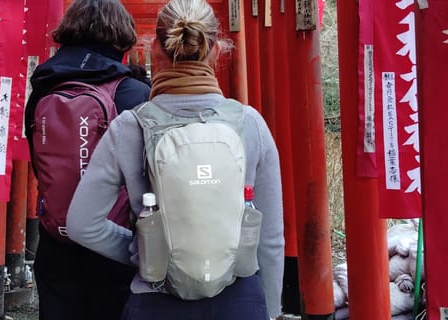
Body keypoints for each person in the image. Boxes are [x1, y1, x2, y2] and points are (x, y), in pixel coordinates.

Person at [66, 0, 284, 319]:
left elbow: (82, 224)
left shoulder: (130, 126)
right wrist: (270, 308)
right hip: (238, 297)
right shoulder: (250, 123)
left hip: (156, 299)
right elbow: (270, 237)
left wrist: (148, 250)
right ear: (216, 51)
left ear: (155, 48)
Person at [23, 0, 151, 319]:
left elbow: (38, 160)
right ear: (122, 38)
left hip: (55, 238)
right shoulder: (134, 93)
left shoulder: (42, 89)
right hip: (115, 240)